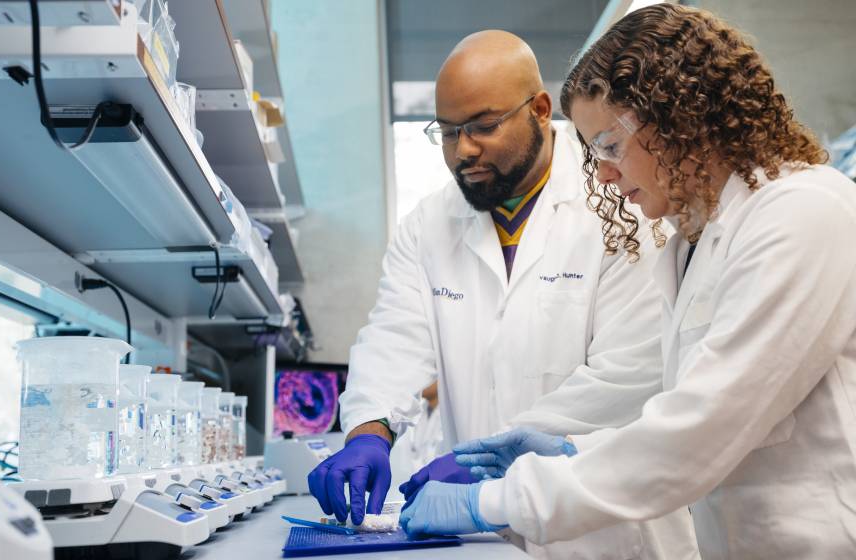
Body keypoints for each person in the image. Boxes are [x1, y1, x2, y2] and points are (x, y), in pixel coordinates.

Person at [399, 5, 856, 559]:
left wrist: (495, 501)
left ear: (679, 121)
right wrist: (575, 449)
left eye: (610, 148)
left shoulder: (801, 213)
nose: (606, 175)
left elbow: (698, 432)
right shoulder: (698, 239)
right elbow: (676, 395)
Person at [308, 29, 700, 558]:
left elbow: (628, 375)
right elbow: (394, 336)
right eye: (447, 132)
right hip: (483, 536)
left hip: (608, 534)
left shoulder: (624, 205)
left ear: (540, 109)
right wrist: (369, 431)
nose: (463, 150)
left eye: (484, 126)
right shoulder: (428, 225)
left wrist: (495, 454)